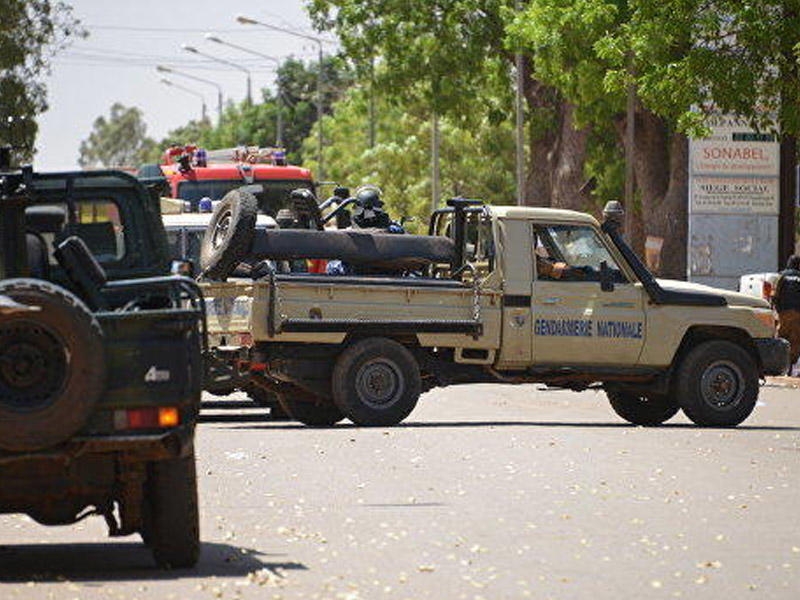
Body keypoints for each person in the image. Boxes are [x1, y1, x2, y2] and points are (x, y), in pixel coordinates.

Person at [773, 254, 800, 371]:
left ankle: (778, 365)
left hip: (783, 313)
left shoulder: (781, 276)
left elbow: (775, 295)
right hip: (797, 314)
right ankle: (790, 367)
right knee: (795, 340)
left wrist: (776, 310)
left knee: (781, 338)